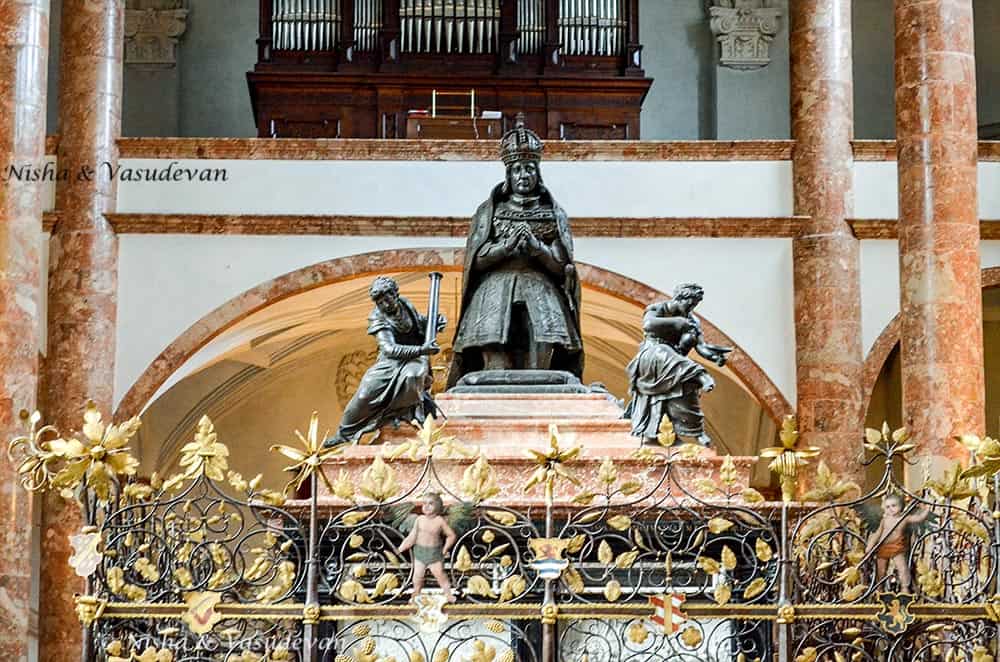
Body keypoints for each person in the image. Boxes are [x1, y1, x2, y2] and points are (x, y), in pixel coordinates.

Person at [448, 115, 583, 386]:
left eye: (530, 169)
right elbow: (477, 260)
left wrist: (537, 249)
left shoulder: (552, 214)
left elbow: (562, 266)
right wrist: (506, 248)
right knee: (493, 368)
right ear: (509, 174)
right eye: (518, 169)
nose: (524, 175)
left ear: (538, 173)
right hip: (494, 292)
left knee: (542, 367)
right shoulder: (491, 211)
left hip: (542, 290)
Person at [323, 276, 444, 447]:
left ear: (395, 295)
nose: (384, 305)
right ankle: (345, 431)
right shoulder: (377, 316)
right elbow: (389, 349)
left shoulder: (405, 305)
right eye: (379, 302)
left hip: (415, 360)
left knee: (413, 376)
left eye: (386, 300)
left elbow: (417, 323)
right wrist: (422, 349)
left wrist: (434, 322)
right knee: (365, 393)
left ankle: (402, 414)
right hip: (390, 362)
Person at [624, 283, 731, 446]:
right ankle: (701, 375)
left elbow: (701, 347)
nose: (691, 307)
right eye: (690, 303)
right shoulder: (658, 309)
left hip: (676, 364)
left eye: (695, 305)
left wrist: (715, 357)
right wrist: (677, 323)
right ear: (681, 298)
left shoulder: (692, 319)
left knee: (688, 386)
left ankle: (696, 431)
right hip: (653, 354)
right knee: (670, 357)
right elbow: (648, 325)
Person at [397, 492, 458, 602]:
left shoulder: (439, 520)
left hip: (435, 554)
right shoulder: (419, 519)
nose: (426, 506)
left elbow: (451, 535)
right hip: (420, 553)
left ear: (438, 506)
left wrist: (445, 548)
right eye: (424, 503)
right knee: (417, 576)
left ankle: (448, 594)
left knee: (440, 575)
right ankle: (416, 592)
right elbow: (412, 537)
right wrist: (401, 548)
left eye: (431, 503)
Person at [865, 493, 929, 592]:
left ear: (900, 506)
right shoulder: (884, 520)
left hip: (897, 546)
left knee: (902, 567)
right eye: (887, 507)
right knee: (881, 569)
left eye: (893, 506)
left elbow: (919, 518)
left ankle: (905, 587)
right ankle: (879, 588)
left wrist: (926, 508)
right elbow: (877, 533)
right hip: (883, 546)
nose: (890, 509)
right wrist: (870, 546)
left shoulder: (904, 518)